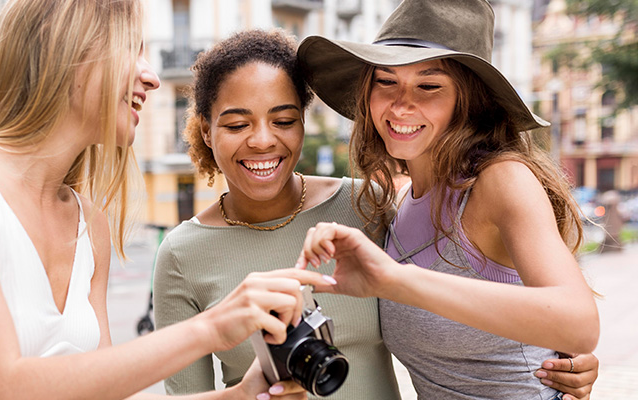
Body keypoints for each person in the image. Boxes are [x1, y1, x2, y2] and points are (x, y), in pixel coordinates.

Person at [0, 1, 328, 399]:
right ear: (70, 53)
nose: (149, 76)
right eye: (133, 49)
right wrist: (210, 327)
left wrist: (239, 397)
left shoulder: (88, 225)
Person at [152, 28, 598, 400]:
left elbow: (561, 313)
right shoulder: (391, 205)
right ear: (205, 132)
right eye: (235, 125)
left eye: (284, 120)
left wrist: (570, 360)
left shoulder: (367, 206)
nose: (263, 140)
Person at [295, 0, 600, 398]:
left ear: (469, 100)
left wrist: (396, 281)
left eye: (429, 86)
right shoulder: (400, 201)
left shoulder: (499, 180)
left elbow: (579, 324)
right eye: (386, 81)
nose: (402, 104)